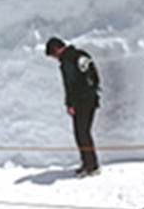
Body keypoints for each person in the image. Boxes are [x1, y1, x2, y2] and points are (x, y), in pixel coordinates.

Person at [44, 36, 103, 176]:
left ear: (56, 49)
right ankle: (90, 164)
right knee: (85, 132)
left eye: (53, 55)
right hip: (91, 98)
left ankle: (90, 166)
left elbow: (70, 85)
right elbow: (95, 77)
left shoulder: (67, 60)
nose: (55, 58)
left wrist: (70, 104)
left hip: (81, 101)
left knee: (81, 133)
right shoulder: (81, 55)